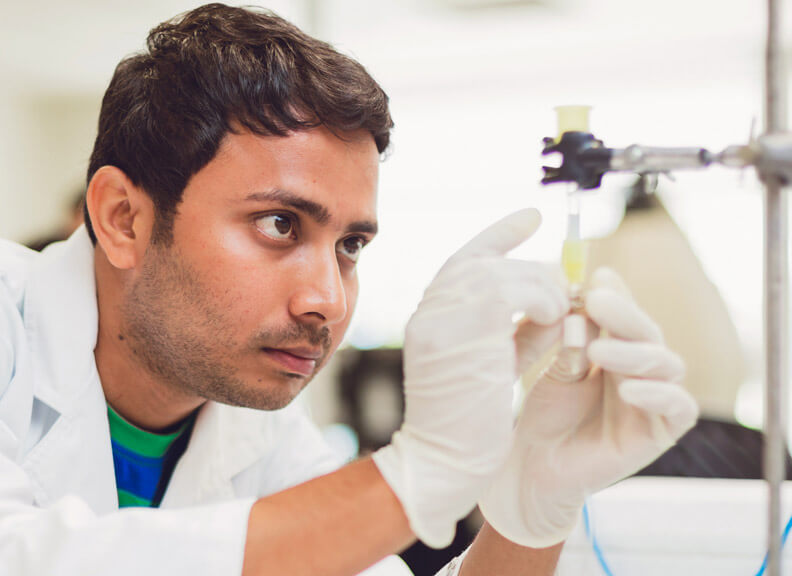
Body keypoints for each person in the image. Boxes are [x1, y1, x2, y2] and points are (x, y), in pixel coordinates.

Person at [0, 4, 698, 575]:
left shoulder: (259, 431)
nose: (328, 301)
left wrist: (530, 511)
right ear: (124, 218)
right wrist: (420, 472)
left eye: (350, 247)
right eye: (279, 224)